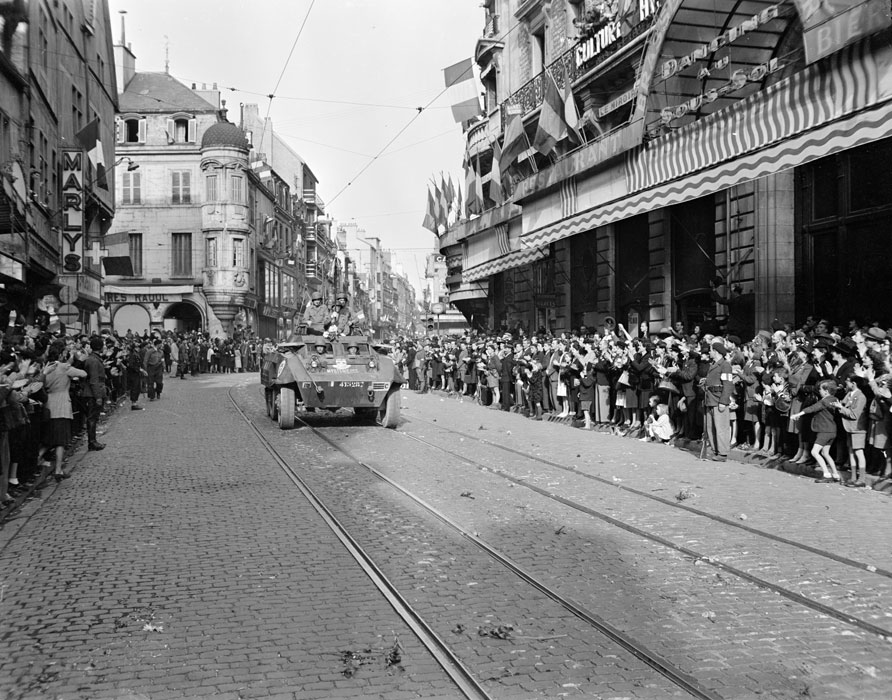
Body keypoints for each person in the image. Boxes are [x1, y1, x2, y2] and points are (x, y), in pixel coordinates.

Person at [38, 345, 88, 479]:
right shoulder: (64, 367)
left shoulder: (45, 367)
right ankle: (58, 469)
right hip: (62, 405)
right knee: (60, 440)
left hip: (49, 403)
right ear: (61, 354)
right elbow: (83, 373)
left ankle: (38, 457)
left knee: (48, 438)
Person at [791, 379, 842, 483]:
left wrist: (797, 414)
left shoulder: (824, 401)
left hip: (824, 431)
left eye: (821, 389)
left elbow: (812, 408)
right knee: (825, 453)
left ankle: (826, 474)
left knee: (814, 452)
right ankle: (836, 475)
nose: (819, 391)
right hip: (832, 430)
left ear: (826, 391)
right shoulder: (834, 399)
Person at [703, 341, 735, 461]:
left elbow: (728, 385)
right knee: (711, 427)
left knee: (721, 427)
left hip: (718, 399)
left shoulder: (725, 365)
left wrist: (723, 401)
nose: (709, 352)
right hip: (710, 399)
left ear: (716, 351)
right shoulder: (714, 364)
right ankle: (715, 450)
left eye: (711, 350)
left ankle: (722, 453)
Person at [81, 337, 107, 451]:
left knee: (93, 417)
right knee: (92, 418)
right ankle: (92, 442)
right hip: (93, 393)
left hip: (93, 391)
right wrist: (98, 397)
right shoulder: (94, 360)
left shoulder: (93, 359)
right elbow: (94, 380)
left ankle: (93, 441)